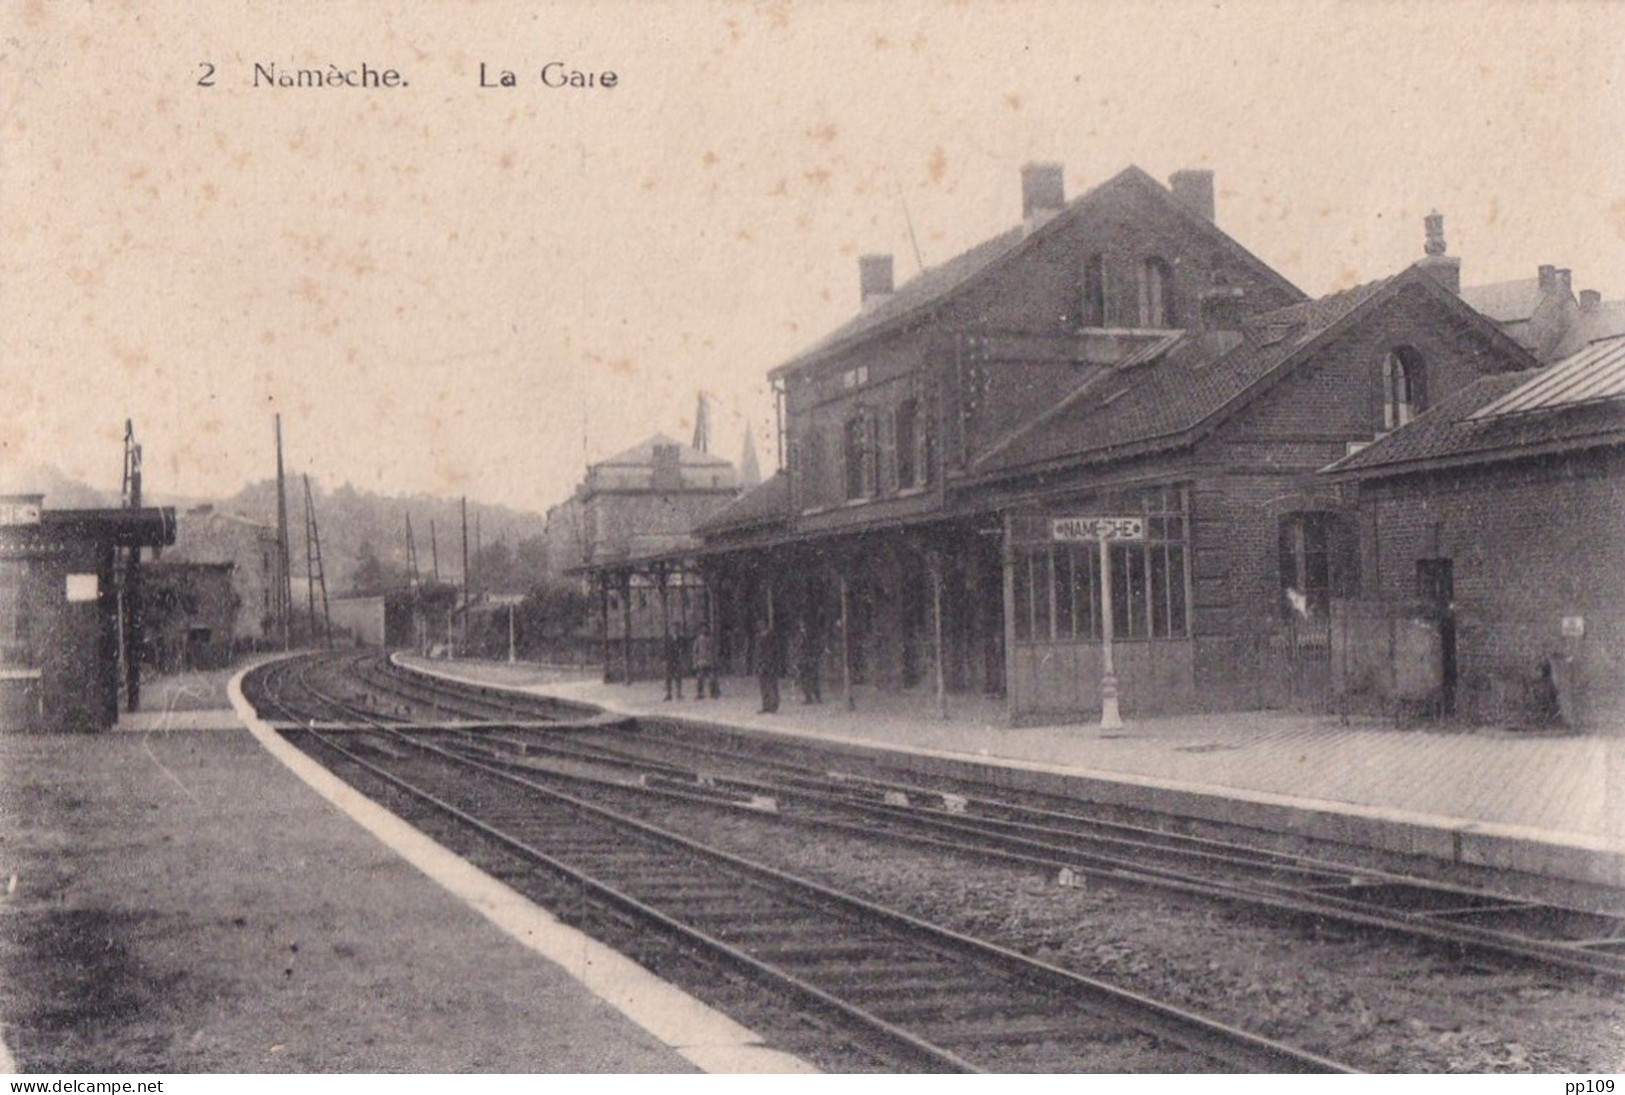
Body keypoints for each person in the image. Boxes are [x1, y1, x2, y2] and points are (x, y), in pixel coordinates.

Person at [755, 616, 783, 713]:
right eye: (758, 623)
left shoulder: (771, 636)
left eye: (761, 623)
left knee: (772, 685)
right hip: (762, 664)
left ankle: (774, 705)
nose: (759, 625)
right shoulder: (759, 636)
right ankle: (766, 705)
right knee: (763, 686)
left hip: (770, 664)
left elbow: (774, 651)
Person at [794, 618, 823, 704]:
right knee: (810, 678)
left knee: (807, 678)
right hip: (808, 659)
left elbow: (798, 647)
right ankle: (814, 697)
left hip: (807, 659)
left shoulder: (804, 635)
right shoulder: (809, 634)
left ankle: (811, 697)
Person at [691, 622, 719, 699]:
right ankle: (700, 693)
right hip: (701, 661)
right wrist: (695, 662)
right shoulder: (698, 640)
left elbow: (715, 650)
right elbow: (695, 652)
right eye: (702, 628)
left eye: (706, 628)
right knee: (700, 678)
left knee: (712, 677)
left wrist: (715, 660)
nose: (704, 629)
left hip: (710, 661)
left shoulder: (711, 639)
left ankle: (713, 692)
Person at [662, 627, 685, 701]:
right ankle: (669, 694)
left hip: (678, 660)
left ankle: (679, 693)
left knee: (678, 677)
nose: (676, 630)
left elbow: (684, 648)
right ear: (672, 630)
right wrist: (664, 660)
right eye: (674, 629)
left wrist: (682, 653)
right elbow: (665, 649)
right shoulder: (668, 639)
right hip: (669, 660)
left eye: (677, 629)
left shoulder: (681, 639)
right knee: (668, 677)